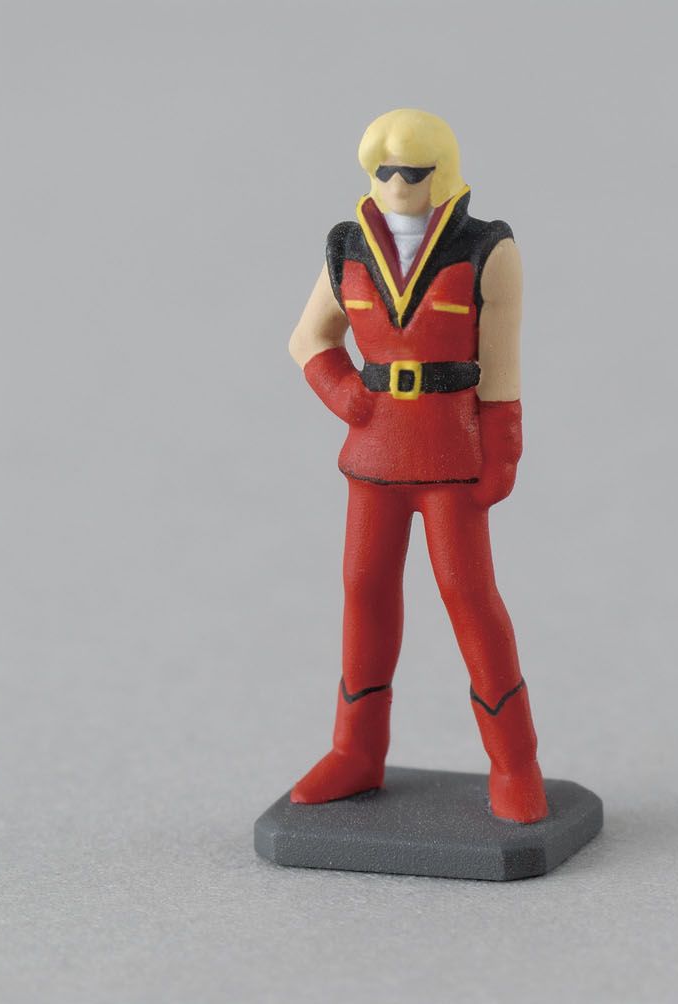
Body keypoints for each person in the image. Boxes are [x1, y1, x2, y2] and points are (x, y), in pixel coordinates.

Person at [285, 108, 546, 823]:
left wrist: (504, 447)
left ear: (444, 172)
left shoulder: (486, 248)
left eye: (413, 170)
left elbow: (501, 364)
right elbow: (308, 339)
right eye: (384, 170)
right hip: (375, 452)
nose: (398, 183)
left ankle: (515, 763)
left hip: (450, 454)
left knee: (469, 595)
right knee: (363, 588)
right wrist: (346, 395)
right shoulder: (346, 248)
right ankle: (355, 751)